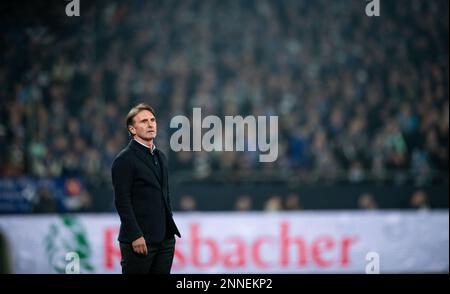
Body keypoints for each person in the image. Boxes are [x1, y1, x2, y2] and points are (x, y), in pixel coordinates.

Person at [111, 103, 181, 274]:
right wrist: (135, 235)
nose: (150, 124)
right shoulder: (124, 160)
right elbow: (122, 201)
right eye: (143, 121)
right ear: (132, 129)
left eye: (152, 120)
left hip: (165, 240)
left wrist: (169, 229)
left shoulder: (161, 156)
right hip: (140, 240)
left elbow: (165, 194)